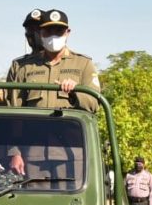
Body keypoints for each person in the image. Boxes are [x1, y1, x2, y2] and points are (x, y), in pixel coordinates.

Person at [5, 9, 100, 176]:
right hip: (33, 153)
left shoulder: (83, 64)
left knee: (72, 202)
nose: (53, 36)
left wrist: (75, 93)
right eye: (48, 31)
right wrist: (15, 152)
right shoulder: (24, 67)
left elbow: (94, 104)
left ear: (68, 32)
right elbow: (12, 113)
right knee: (35, 202)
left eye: (59, 31)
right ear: (40, 33)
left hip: (72, 151)